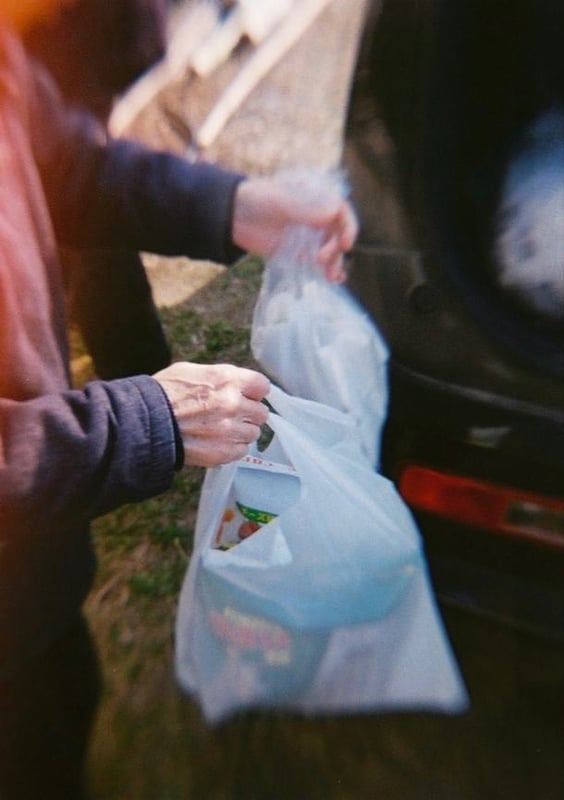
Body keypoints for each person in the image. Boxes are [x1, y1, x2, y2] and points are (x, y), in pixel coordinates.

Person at [0, 1, 358, 797]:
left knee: (65, 712)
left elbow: (67, 164)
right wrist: (145, 421)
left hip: (36, 567)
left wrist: (231, 206)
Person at [23, 0, 172, 379]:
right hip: (64, 38)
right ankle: (139, 380)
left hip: (76, 36)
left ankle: (140, 381)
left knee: (80, 194)